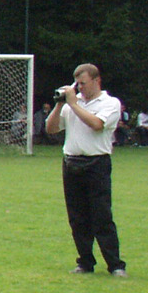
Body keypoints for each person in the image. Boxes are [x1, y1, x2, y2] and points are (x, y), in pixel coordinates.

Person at [46, 63, 126, 277]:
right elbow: (51, 129)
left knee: (101, 216)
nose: (79, 88)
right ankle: (85, 262)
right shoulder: (73, 104)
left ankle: (116, 265)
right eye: (77, 84)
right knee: (77, 218)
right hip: (71, 163)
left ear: (96, 80)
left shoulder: (110, 103)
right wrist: (59, 105)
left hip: (96, 164)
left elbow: (96, 124)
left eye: (83, 83)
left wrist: (73, 103)